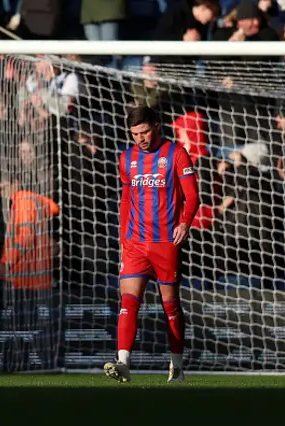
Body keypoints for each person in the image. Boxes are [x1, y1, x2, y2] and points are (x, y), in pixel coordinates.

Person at [104, 106, 199, 384]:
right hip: (134, 243)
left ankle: (178, 367)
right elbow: (125, 200)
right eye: (135, 134)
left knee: (170, 305)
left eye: (144, 132)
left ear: (156, 126)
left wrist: (184, 223)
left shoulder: (176, 153)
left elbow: (192, 195)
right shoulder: (127, 158)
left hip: (165, 243)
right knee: (128, 302)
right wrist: (123, 240)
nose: (140, 139)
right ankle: (123, 363)